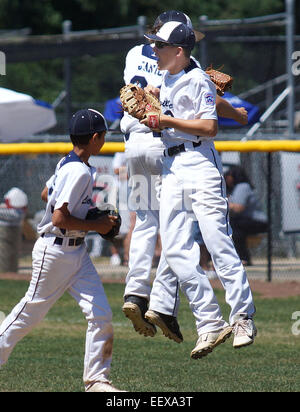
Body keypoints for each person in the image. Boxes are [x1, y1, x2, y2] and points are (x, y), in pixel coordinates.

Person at [121, 10, 249, 344]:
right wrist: (150, 97)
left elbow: (210, 127)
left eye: (161, 45)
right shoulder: (169, 75)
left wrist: (166, 120)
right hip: (167, 165)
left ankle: (243, 317)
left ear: (179, 50)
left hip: (197, 162)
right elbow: (156, 89)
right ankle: (208, 322)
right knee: (175, 250)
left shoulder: (196, 78)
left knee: (217, 243)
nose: (155, 50)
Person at [0, 109, 126, 392]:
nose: (104, 139)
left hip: (76, 253)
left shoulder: (69, 162)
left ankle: (96, 380)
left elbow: (47, 195)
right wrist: (98, 224)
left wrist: (89, 213)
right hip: (54, 252)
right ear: (95, 138)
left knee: (100, 314)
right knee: (29, 314)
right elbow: (59, 218)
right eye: (104, 135)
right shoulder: (78, 170)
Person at [224, 165, 268, 266]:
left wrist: (222, 203)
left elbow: (239, 208)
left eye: (228, 176)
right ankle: (241, 258)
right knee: (232, 225)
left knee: (235, 226)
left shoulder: (242, 186)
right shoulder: (232, 189)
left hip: (258, 221)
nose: (226, 178)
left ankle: (244, 258)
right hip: (246, 221)